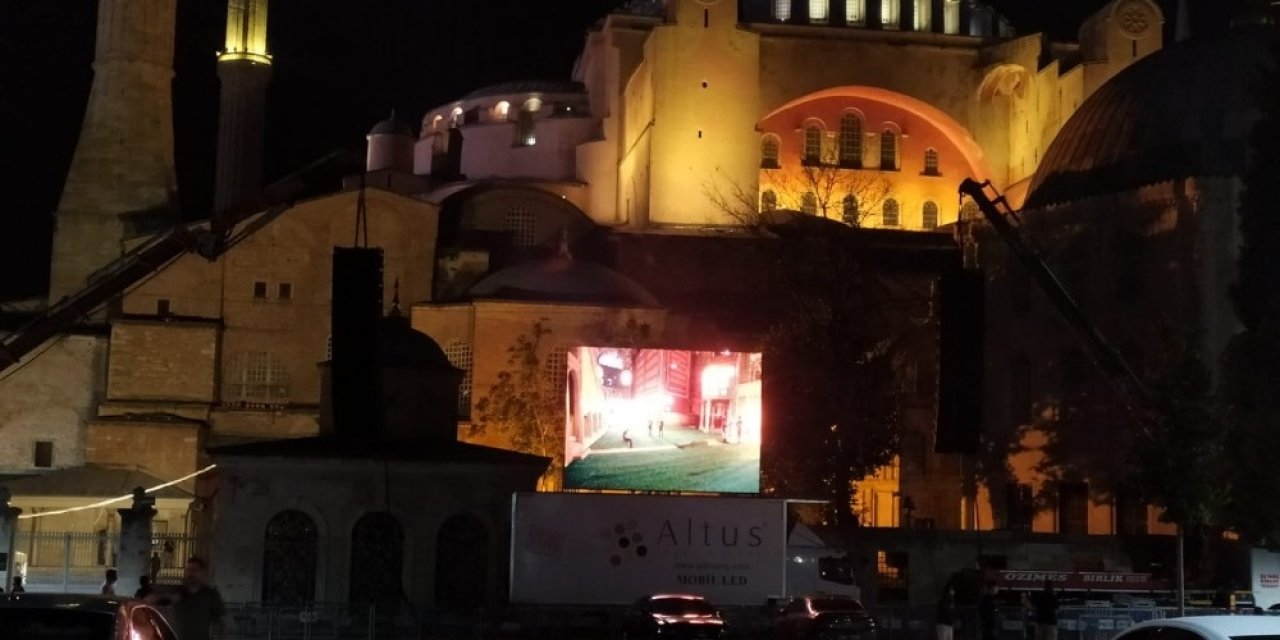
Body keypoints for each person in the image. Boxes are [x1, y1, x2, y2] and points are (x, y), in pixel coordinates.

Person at [171, 557, 225, 640]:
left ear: (202, 572)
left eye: (194, 570)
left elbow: (221, 620)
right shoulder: (178, 592)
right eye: (188, 570)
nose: (190, 573)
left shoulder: (210, 595)